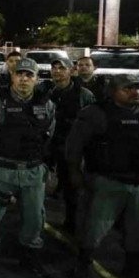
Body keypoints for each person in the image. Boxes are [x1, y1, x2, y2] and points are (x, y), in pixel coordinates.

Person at [66, 75, 139, 278]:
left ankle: (134, 266)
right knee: (93, 227)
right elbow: (75, 145)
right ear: (113, 91)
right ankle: (83, 263)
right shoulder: (96, 113)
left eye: (138, 88)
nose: (135, 92)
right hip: (107, 182)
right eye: (128, 88)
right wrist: (74, 171)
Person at [0, 58, 55, 278]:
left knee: (34, 218)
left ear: (36, 79)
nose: (24, 79)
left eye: (29, 75)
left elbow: (48, 136)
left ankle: (29, 257)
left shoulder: (46, 104)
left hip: (32, 170)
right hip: (2, 168)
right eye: (20, 74)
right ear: (12, 75)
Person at [45, 58, 95, 234]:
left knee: (72, 188)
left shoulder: (84, 95)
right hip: (50, 145)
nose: (57, 71)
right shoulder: (46, 92)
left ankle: (72, 221)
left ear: (71, 71)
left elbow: (93, 124)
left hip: (72, 148)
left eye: (61, 68)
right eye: (54, 68)